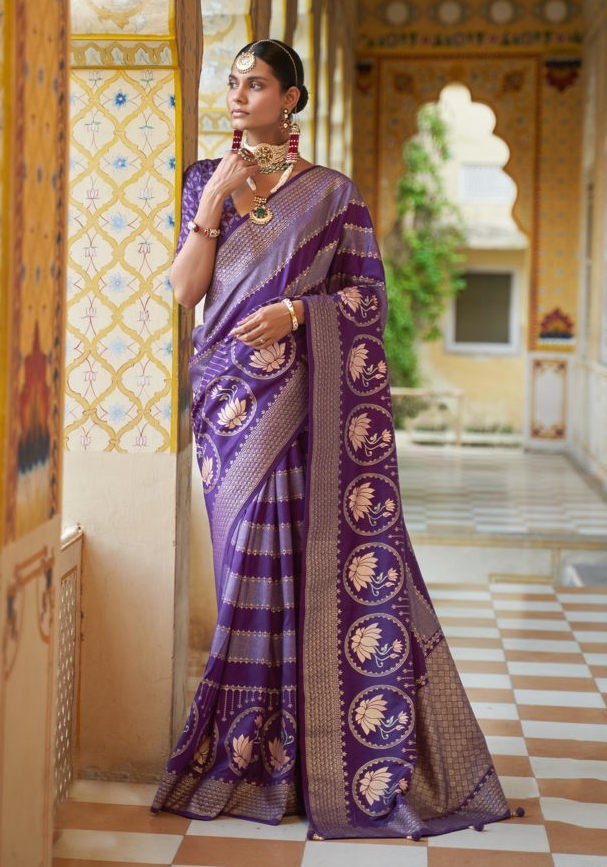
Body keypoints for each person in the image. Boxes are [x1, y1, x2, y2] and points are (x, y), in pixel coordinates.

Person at [151, 38, 518, 840]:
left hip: (301, 409)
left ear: (289, 99)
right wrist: (215, 201)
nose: (237, 95)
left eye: (255, 84)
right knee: (244, 576)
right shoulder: (202, 181)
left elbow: (367, 301)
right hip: (224, 412)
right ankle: (247, 753)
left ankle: (307, 755)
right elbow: (184, 291)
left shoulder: (331, 195)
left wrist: (296, 313)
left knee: (297, 571)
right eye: (232, 82)